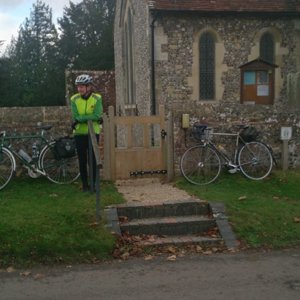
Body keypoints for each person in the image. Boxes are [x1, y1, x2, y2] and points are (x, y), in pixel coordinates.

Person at [70, 74, 103, 192]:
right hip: (79, 133)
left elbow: (97, 115)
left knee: (93, 160)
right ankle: (85, 185)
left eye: (82, 86)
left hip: (93, 132)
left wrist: (80, 119)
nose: (79, 89)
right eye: (78, 87)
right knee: (82, 160)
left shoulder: (97, 98)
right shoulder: (74, 99)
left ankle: (94, 184)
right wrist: (87, 118)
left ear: (88, 87)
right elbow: (75, 115)